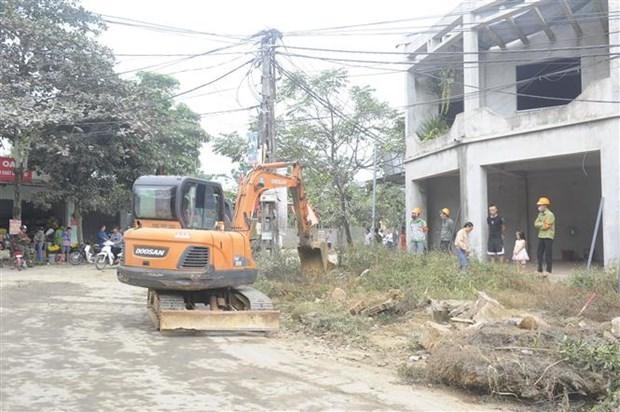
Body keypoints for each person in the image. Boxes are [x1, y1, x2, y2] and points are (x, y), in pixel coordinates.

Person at [534, 196, 555, 277]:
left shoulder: (550, 214)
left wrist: (541, 224)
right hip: (541, 235)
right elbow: (535, 224)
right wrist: (542, 224)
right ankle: (539, 269)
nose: (539, 207)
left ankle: (548, 270)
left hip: (548, 236)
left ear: (545, 205)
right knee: (539, 253)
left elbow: (546, 226)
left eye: (540, 205)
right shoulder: (540, 214)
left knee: (548, 254)